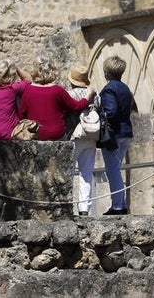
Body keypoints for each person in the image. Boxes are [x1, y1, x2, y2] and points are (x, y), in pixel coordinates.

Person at [19, 57, 94, 141]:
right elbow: (76, 106)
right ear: (52, 72)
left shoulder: (28, 90)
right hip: (57, 134)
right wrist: (88, 94)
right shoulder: (58, 90)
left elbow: (22, 115)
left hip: (36, 133)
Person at [98, 56, 134, 216]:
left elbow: (110, 111)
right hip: (126, 131)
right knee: (116, 169)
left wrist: (98, 113)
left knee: (112, 170)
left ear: (107, 72)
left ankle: (118, 206)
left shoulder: (109, 89)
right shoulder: (125, 88)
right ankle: (121, 203)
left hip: (114, 134)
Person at [66, 64, 97, 216]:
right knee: (86, 173)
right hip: (91, 135)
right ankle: (84, 208)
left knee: (69, 172)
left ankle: (68, 204)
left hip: (74, 135)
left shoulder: (69, 94)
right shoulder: (94, 94)